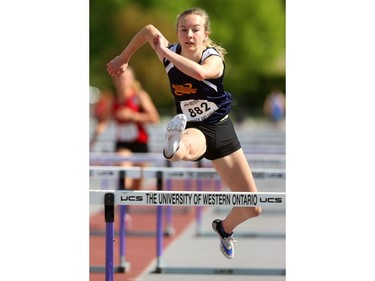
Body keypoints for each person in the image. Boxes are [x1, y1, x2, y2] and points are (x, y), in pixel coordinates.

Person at [106, 7, 261, 259]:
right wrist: (124, 57)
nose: (189, 35)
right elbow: (147, 30)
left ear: (205, 34)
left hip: (222, 130)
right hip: (194, 128)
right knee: (185, 149)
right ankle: (173, 145)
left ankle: (224, 228)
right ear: (177, 33)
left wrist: (165, 52)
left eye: (195, 30)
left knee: (252, 207)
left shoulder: (213, 59)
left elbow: (199, 73)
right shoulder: (170, 52)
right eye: (183, 29)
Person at [90, 66, 160, 191]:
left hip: (141, 143)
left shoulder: (139, 96)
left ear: (131, 80)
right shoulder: (113, 100)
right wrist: (93, 139)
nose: (122, 81)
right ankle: (121, 206)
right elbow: (103, 122)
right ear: (115, 81)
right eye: (120, 78)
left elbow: (154, 118)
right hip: (122, 143)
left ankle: (125, 204)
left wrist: (132, 116)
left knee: (137, 187)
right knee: (124, 167)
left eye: (125, 78)